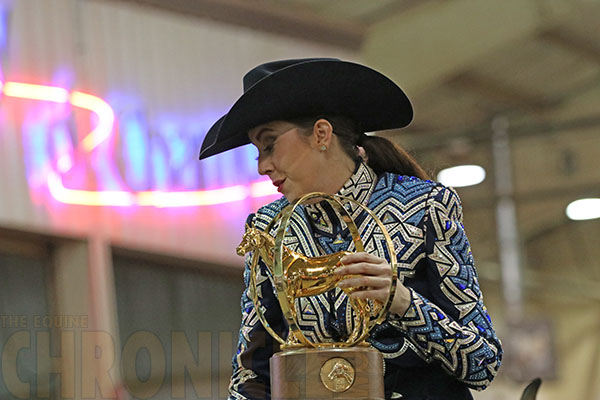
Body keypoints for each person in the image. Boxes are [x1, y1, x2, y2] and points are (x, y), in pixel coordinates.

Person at [199, 58, 502, 400]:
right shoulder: (268, 228)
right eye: (257, 151)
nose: (262, 166)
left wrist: (401, 301)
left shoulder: (427, 206)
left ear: (321, 134)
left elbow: (483, 362)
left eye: (269, 145)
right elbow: (253, 373)